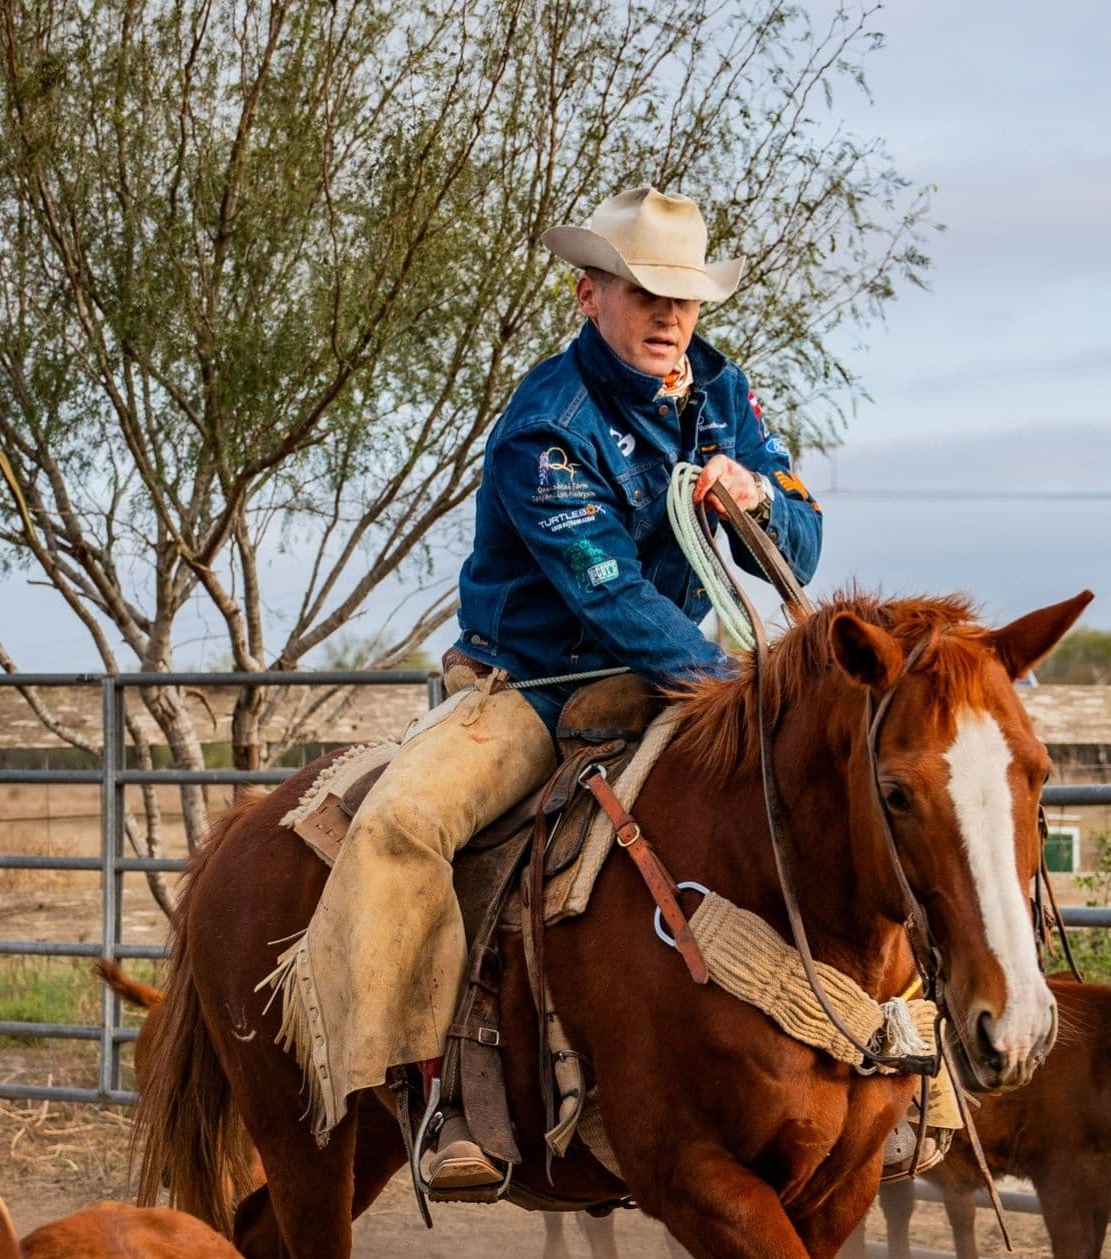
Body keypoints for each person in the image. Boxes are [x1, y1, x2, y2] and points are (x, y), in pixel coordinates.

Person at [281, 187, 824, 1186]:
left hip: (675, 681)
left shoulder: (721, 392)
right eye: (644, 291)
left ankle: (879, 1054)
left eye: (685, 298)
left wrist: (756, 498)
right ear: (589, 293)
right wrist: (734, 698)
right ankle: (424, 1087)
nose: (669, 316)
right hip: (535, 688)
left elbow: (802, 532)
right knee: (405, 822)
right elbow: (612, 597)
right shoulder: (547, 428)